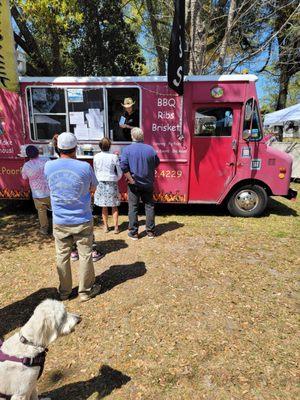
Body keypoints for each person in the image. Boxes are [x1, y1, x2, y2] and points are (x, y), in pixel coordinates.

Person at [44, 132, 102, 302]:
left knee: (62, 255)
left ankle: (64, 292)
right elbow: (93, 188)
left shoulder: (48, 166)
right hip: (82, 218)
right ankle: (85, 291)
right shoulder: (84, 167)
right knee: (85, 255)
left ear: (58, 148)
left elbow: (49, 187)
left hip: (60, 220)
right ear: (75, 148)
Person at [120, 127, 160, 240]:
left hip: (134, 184)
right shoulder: (150, 149)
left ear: (132, 137)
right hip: (148, 183)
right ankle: (150, 232)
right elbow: (156, 163)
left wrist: (131, 179)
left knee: (133, 207)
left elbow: (123, 166)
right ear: (142, 137)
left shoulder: (127, 150)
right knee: (149, 206)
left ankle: (134, 233)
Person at [93, 138, 123, 233]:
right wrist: (116, 178)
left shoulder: (96, 156)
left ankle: (106, 227)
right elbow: (119, 172)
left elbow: (95, 170)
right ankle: (116, 227)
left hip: (101, 181)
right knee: (114, 206)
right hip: (112, 182)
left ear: (100, 146)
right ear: (109, 146)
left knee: (104, 206)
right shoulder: (114, 157)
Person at [21, 145, 51, 235]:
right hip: (50, 190)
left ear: (27, 155)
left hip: (37, 193)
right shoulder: (46, 160)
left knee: (41, 211)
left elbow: (24, 177)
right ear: (38, 152)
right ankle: (60, 227)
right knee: (56, 209)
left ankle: (44, 229)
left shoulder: (27, 165)